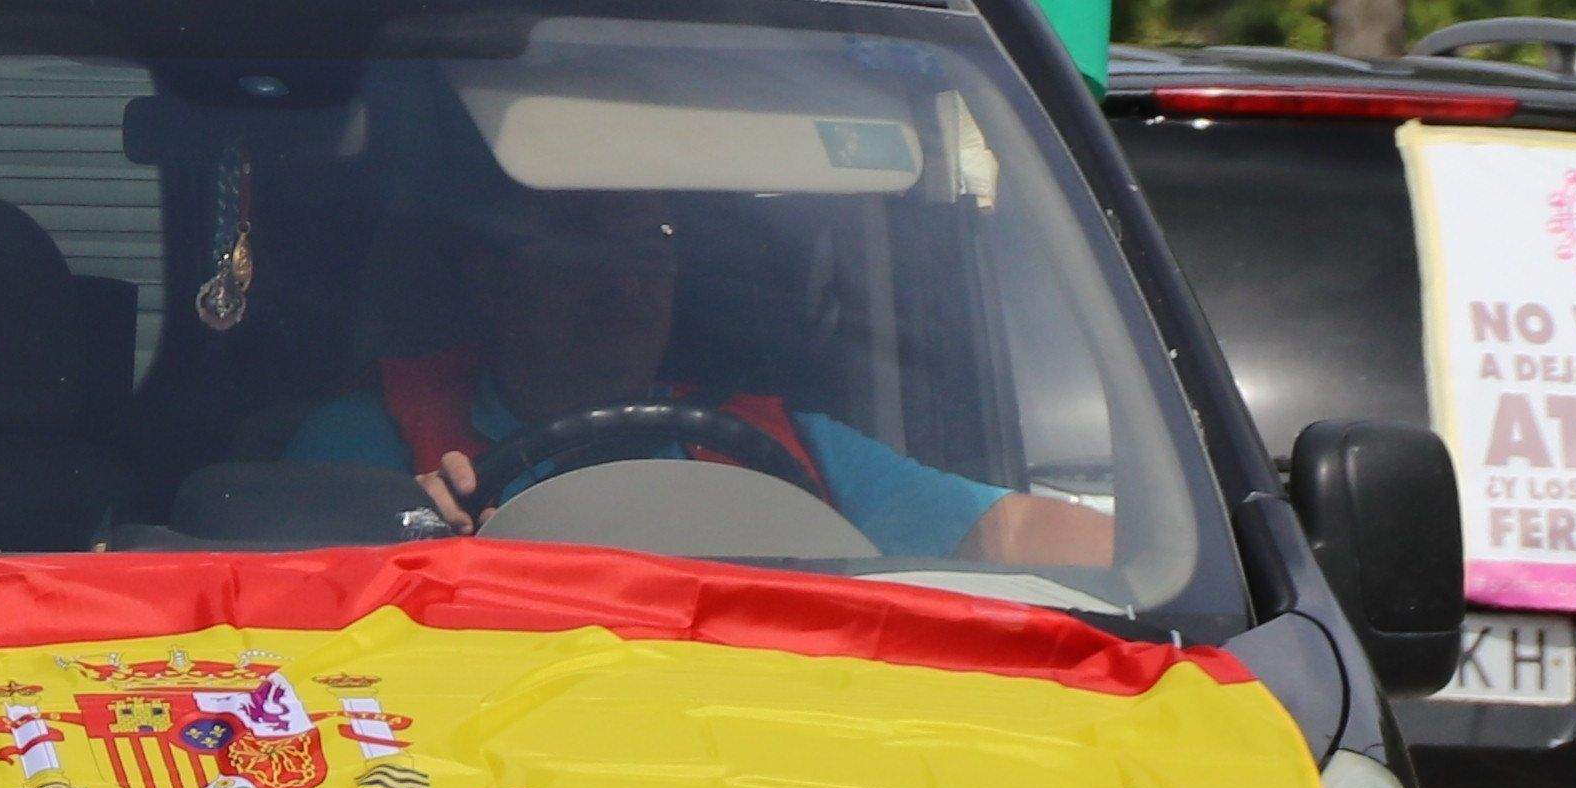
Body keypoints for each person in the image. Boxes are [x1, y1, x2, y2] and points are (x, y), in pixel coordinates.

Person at [293, 189, 1117, 574]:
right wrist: (403, 537)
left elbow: (1007, 535)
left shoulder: (789, 447)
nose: (624, 288)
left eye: (648, 251)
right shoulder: (368, 440)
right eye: (583, 252)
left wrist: (1174, 576)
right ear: (492, 277)